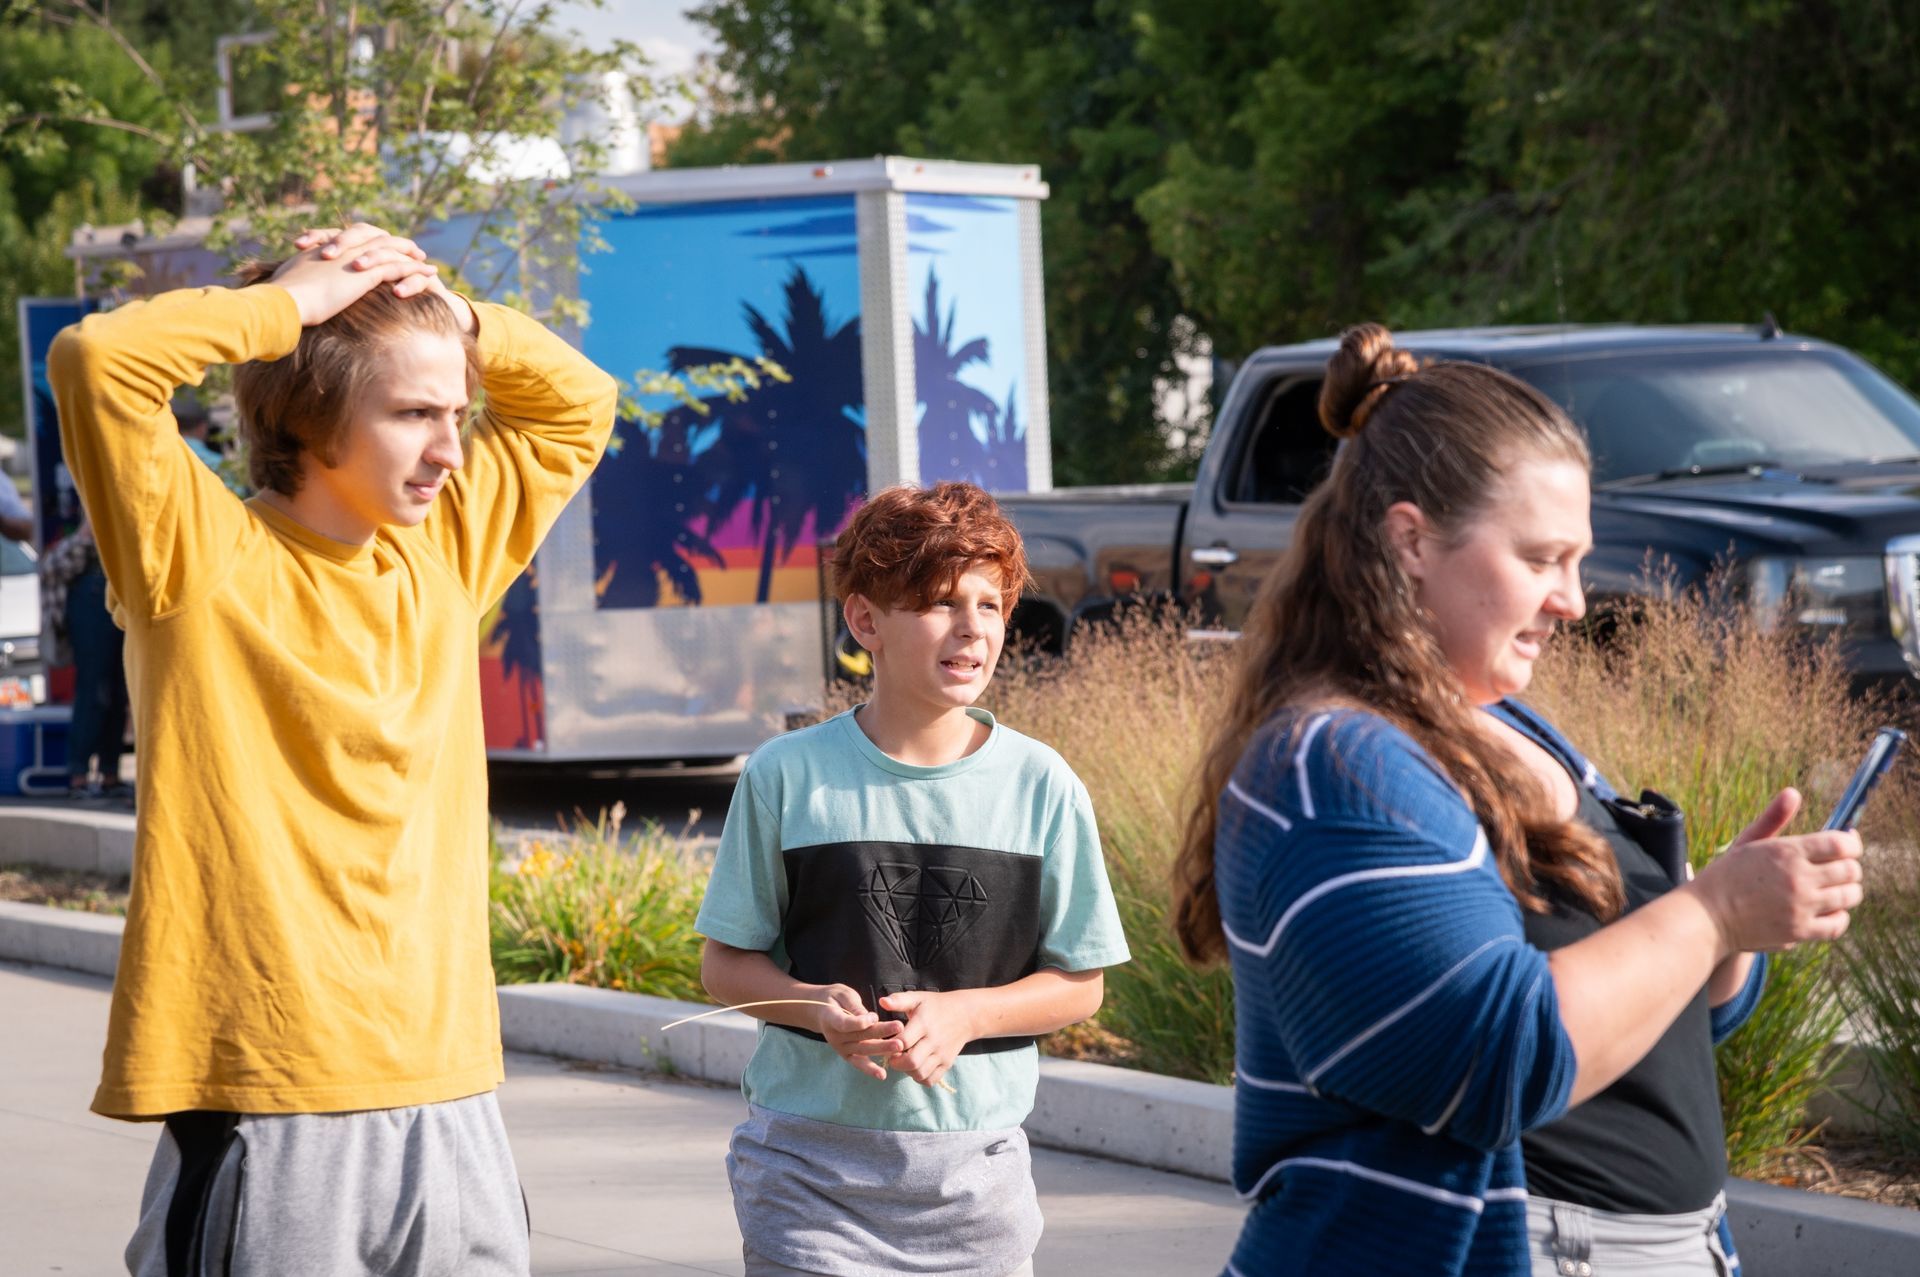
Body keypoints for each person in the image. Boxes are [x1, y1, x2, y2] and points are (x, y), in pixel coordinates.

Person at [1170, 323, 1864, 1277]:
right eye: (1542, 559)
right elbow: (1493, 1056)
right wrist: (1708, 912)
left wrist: (1732, 932)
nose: (1573, 598)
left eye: (1577, 559)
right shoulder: (1335, 765)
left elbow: (1643, 1016)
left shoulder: (1506, 724)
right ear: (1412, 540)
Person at [48, 221, 617, 1275]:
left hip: (451, 1093)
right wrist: (297, 304)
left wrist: (447, 309)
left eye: (456, 414)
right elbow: (98, 360)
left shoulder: (443, 554)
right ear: (311, 417)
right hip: (273, 1098)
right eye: (412, 414)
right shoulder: (194, 558)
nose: (451, 449)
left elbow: (578, 403)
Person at [695, 481, 1131, 1277]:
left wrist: (970, 1013)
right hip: (807, 1184)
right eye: (939, 602)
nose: (972, 627)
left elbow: (1081, 981)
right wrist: (811, 1005)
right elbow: (724, 964)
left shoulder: (1044, 785)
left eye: (990, 604)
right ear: (866, 621)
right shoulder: (785, 776)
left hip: (978, 1194)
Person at [40, 516, 130, 801]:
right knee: (94, 691)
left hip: (119, 595)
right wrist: (89, 530)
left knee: (118, 693)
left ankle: (109, 774)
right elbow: (53, 567)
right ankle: (78, 775)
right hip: (92, 599)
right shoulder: (87, 530)